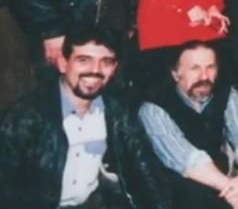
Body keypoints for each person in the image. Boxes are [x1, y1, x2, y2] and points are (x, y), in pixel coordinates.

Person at [0, 27, 170, 208]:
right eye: (84, 60)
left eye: (106, 62)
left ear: (114, 69)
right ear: (63, 63)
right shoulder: (27, 116)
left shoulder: (117, 112)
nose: (95, 70)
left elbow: (144, 170)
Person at [139, 41, 238, 209]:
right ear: (176, 74)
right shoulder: (154, 107)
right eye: (194, 68)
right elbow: (186, 160)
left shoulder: (226, 93)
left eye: (210, 67)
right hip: (178, 187)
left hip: (220, 179)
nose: (204, 76)